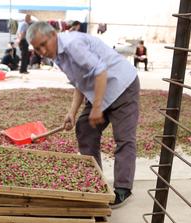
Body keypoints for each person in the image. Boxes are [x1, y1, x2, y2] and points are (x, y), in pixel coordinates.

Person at [27, 21, 139, 208]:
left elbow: (101, 71)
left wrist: (96, 108)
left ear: (54, 35)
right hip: (100, 90)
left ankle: (123, 188)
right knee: (85, 127)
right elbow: (80, 82)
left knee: (124, 138)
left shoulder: (72, 45)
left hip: (122, 86)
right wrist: (72, 112)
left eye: (43, 44)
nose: (42, 52)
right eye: (37, 48)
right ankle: (96, 179)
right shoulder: (58, 56)